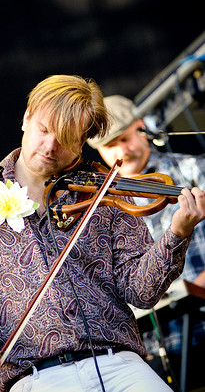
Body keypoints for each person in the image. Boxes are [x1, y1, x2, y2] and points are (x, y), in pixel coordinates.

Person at [0, 75, 205, 392]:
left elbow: (141, 294)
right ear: (26, 118)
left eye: (66, 138)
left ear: (82, 142)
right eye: (44, 129)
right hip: (36, 378)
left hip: (121, 365)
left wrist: (178, 233)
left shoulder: (104, 193)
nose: (50, 146)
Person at [87, 94, 205, 389]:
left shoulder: (194, 171)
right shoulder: (103, 204)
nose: (122, 152)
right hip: (150, 353)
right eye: (110, 146)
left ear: (141, 127)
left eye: (125, 139)